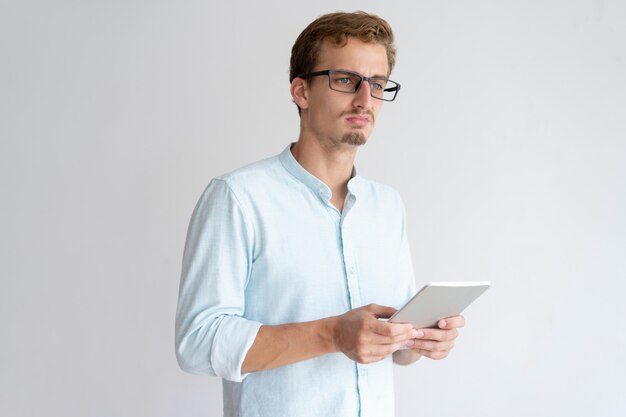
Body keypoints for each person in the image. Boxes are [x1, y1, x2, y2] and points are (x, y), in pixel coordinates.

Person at [175, 11, 465, 417]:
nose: (365, 99)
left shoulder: (387, 206)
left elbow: (395, 349)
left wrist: (420, 340)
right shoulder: (238, 198)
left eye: (377, 84)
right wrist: (333, 334)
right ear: (301, 91)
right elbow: (198, 342)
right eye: (346, 80)